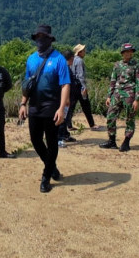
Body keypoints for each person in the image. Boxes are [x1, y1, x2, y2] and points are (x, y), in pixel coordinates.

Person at [18, 24, 71, 193]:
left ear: (49, 39)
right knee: (35, 140)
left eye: (43, 37)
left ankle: (46, 177)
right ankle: (52, 166)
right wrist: (23, 104)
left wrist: (61, 109)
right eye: (38, 37)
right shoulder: (31, 59)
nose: (40, 40)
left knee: (51, 141)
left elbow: (65, 85)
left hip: (51, 106)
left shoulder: (59, 59)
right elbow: (28, 85)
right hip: (34, 106)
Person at [100, 43, 139, 152]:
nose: (128, 53)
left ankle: (126, 141)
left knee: (130, 118)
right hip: (117, 94)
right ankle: (112, 141)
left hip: (130, 94)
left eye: (130, 51)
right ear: (122, 53)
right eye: (126, 51)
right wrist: (109, 96)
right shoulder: (117, 65)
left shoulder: (136, 65)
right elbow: (113, 81)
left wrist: (137, 99)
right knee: (110, 116)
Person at [71, 44, 98, 130]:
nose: (85, 52)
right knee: (86, 105)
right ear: (79, 52)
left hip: (72, 86)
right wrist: (84, 87)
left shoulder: (73, 60)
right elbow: (80, 76)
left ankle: (68, 125)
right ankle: (92, 124)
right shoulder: (79, 61)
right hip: (79, 86)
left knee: (71, 106)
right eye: (83, 51)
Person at [57, 50, 80, 147]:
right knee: (62, 119)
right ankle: (59, 138)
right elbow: (65, 84)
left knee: (66, 118)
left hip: (70, 97)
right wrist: (66, 99)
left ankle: (65, 134)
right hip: (65, 99)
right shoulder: (64, 68)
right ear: (71, 59)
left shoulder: (66, 67)